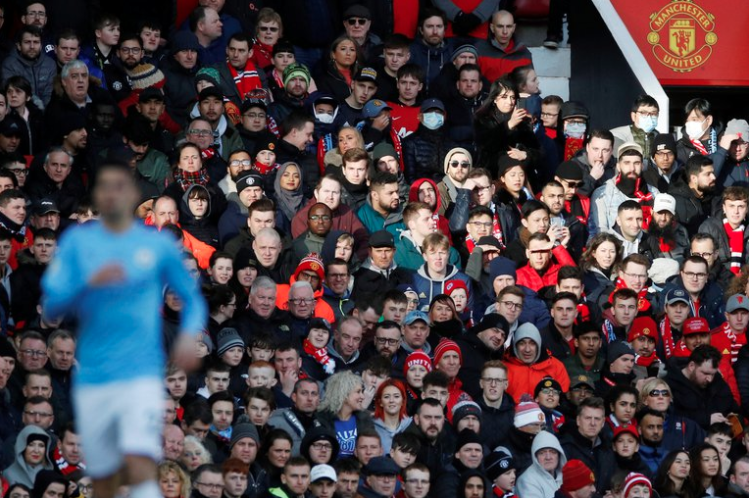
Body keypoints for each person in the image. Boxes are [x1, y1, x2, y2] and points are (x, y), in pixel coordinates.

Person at [40, 159, 207, 498]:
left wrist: (190, 334)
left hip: (142, 370)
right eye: (106, 188)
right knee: (102, 471)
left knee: (140, 459)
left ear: (133, 195)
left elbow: (193, 297)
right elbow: (52, 304)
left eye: (121, 188)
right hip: (95, 372)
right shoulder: (77, 243)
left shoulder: (156, 245)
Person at [476, 11, 533, 83]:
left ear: (514, 28)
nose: (505, 31)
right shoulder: (479, 51)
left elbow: (531, 85)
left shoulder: (524, 54)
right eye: (500, 26)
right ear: (492, 28)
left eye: (509, 26)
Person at [515, 431, 566, 498]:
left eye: (553, 452)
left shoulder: (565, 476)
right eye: (542, 453)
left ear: (559, 455)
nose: (548, 457)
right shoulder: (526, 481)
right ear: (535, 456)